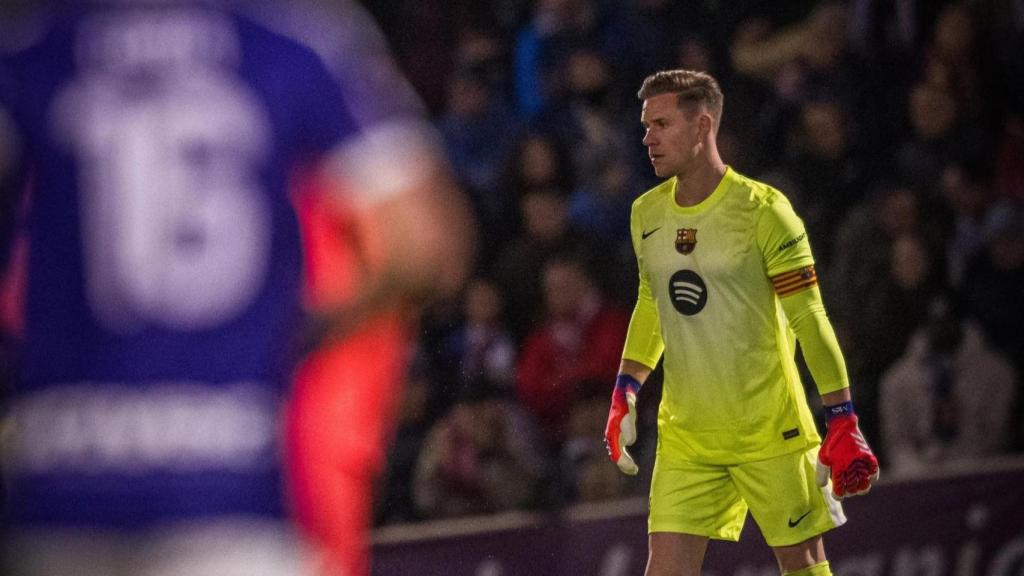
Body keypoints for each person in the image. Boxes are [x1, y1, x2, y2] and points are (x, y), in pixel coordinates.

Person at [0, 2, 473, 575]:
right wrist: (303, 332)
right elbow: (425, 241)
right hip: (235, 466)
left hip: (59, 477)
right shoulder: (293, 40)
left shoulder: (32, 42)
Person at [603, 69, 879, 576]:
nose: (648, 138)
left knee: (804, 566)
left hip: (769, 429)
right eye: (645, 127)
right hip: (687, 436)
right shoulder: (646, 213)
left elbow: (810, 317)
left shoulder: (765, 212)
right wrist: (627, 387)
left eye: (661, 124)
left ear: (703, 126)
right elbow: (652, 302)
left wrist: (842, 416)